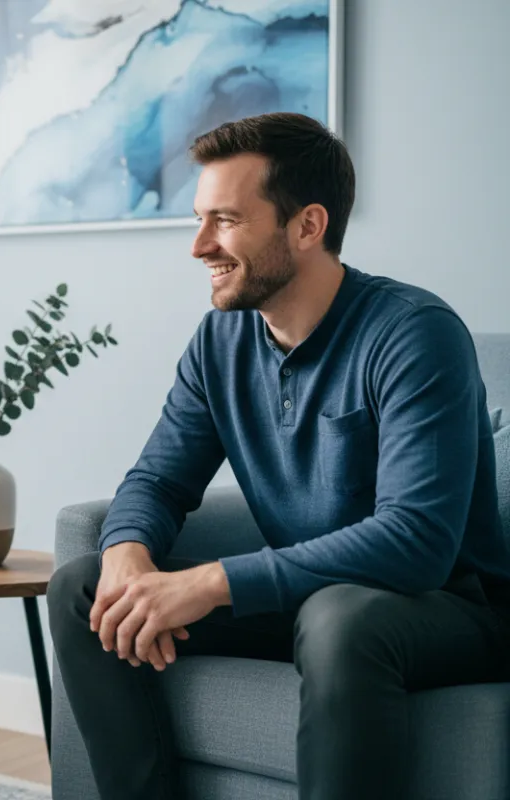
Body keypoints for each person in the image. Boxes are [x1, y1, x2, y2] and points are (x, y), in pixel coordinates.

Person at [48, 112, 510, 800]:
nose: (200, 245)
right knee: (85, 589)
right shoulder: (220, 342)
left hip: (445, 610)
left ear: (307, 226)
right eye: (200, 219)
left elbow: (417, 543)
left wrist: (208, 584)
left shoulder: (415, 334)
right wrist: (127, 552)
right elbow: (156, 478)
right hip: (309, 600)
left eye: (226, 221)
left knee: (341, 617)